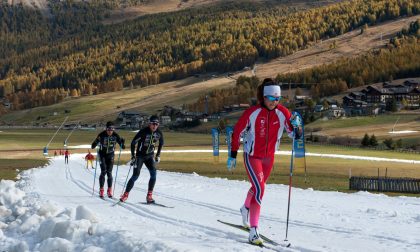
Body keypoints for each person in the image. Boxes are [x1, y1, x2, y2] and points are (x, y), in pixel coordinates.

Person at [226, 78, 302, 245]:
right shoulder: (252, 113)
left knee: (257, 187)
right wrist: (232, 154)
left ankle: (245, 208)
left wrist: (298, 127)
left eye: (278, 99)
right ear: (264, 97)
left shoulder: (283, 113)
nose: (275, 102)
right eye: (271, 98)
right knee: (260, 189)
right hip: (252, 156)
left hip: (269, 157)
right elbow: (237, 132)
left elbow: (293, 134)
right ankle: (254, 231)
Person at [120, 115, 164, 203]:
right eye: (153, 124)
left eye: (156, 124)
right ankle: (125, 194)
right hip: (140, 156)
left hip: (149, 156)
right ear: (149, 124)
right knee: (135, 176)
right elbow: (133, 143)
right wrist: (133, 156)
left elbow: (161, 143)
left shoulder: (159, 133)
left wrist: (158, 155)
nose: (154, 126)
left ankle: (149, 196)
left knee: (153, 174)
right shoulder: (143, 132)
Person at [91, 121, 125, 198]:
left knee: (109, 172)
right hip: (102, 155)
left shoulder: (116, 135)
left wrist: (122, 142)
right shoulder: (101, 135)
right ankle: (101, 190)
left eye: (112, 129)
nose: (110, 131)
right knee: (103, 171)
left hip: (111, 155)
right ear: (106, 129)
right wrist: (96, 143)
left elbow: (123, 147)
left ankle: (109, 190)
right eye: (108, 129)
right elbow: (93, 145)